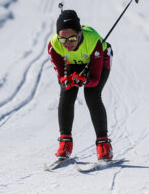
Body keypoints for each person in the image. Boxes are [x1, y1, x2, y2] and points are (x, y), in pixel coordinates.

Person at [47, 10, 113, 160]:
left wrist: (84, 80)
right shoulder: (54, 45)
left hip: (98, 58)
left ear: (79, 34)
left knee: (92, 94)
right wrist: (66, 80)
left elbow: (95, 79)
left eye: (71, 38)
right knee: (67, 92)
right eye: (62, 39)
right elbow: (61, 76)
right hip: (74, 62)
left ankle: (103, 144)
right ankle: (65, 142)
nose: (67, 43)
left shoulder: (93, 40)